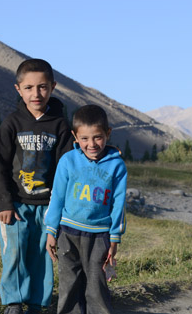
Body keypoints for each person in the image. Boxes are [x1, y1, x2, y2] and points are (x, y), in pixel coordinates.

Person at [0, 58, 73, 314]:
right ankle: (13, 302)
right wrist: (4, 203)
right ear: (18, 89)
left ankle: (38, 303)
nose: (36, 93)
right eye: (29, 88)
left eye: (42, 87)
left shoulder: (61, 125)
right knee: (14, 253)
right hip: (16, 204)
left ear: (53, 87)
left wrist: (60, 207)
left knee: (44, 254)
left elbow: (65, 169)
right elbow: (0, 166)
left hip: (48, 205)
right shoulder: (12, 124)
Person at [44, 104, 128, 314]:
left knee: (96, 286)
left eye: (97, 137)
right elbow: (57, 197)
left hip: (99, 236)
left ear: (108, 134)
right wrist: (51, 231)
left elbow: (119, 203)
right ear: (75, 136)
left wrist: (115, 238)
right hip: (68, 233)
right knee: (69, 284)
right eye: (84, 139)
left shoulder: (117, 166)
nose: (91, 144)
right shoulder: (68, 161)